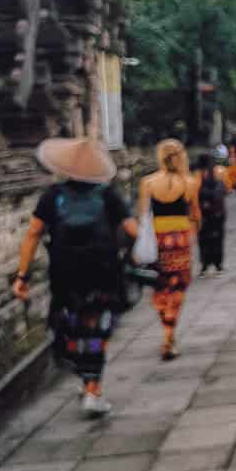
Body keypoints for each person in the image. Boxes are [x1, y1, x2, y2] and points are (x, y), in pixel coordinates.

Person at [13, 138, 138, 417]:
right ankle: (93, 387)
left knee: (74, 325)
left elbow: (32, 234)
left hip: (65, 273)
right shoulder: (108, 195)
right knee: (98, 326)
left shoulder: (53, 196)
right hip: (103, 272)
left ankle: (85, 376)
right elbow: (132, 230)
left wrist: (22, 275)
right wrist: (135, 256)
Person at [139, 139, 201, 361]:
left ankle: (166, 324)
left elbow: (143, 216)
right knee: (178, 287)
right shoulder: (189, 182)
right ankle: (169, 333)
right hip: (181, 239)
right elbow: (195, 215)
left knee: (160, 284)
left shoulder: (147, 183)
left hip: (158, 239)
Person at [196, 153, 227, 277]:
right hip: (214, 211)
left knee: (206, 239)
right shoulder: (217, 172)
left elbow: (218, 192)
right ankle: (215, 265)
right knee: (214, 238)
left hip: (209, 211)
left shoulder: (199, 175)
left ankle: (208, 265)